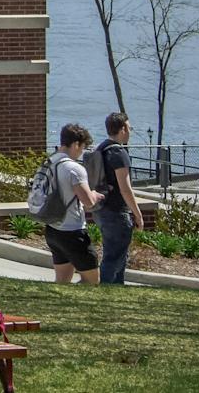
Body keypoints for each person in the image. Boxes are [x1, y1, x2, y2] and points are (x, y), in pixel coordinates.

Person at [88, 111, 144, 285]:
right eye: (129, 128)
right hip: (116, 211)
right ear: (123, 129)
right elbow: (125, 188)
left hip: (101, 210)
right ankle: (105, 287)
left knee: (117, 253)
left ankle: (117, 288)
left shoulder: (101, 149)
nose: (130, 132)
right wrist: (138, 214)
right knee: (114, 257)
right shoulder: (119, 154)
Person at [42, 123, 103, 284]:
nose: (82, 152)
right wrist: (95, 195)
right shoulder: (74, 169)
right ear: (76, 144)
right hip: (73, 232)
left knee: (62, 282)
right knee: (92, 281)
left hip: (53, 230)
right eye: (82, 147)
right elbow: (88, 202)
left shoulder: (48, 164)